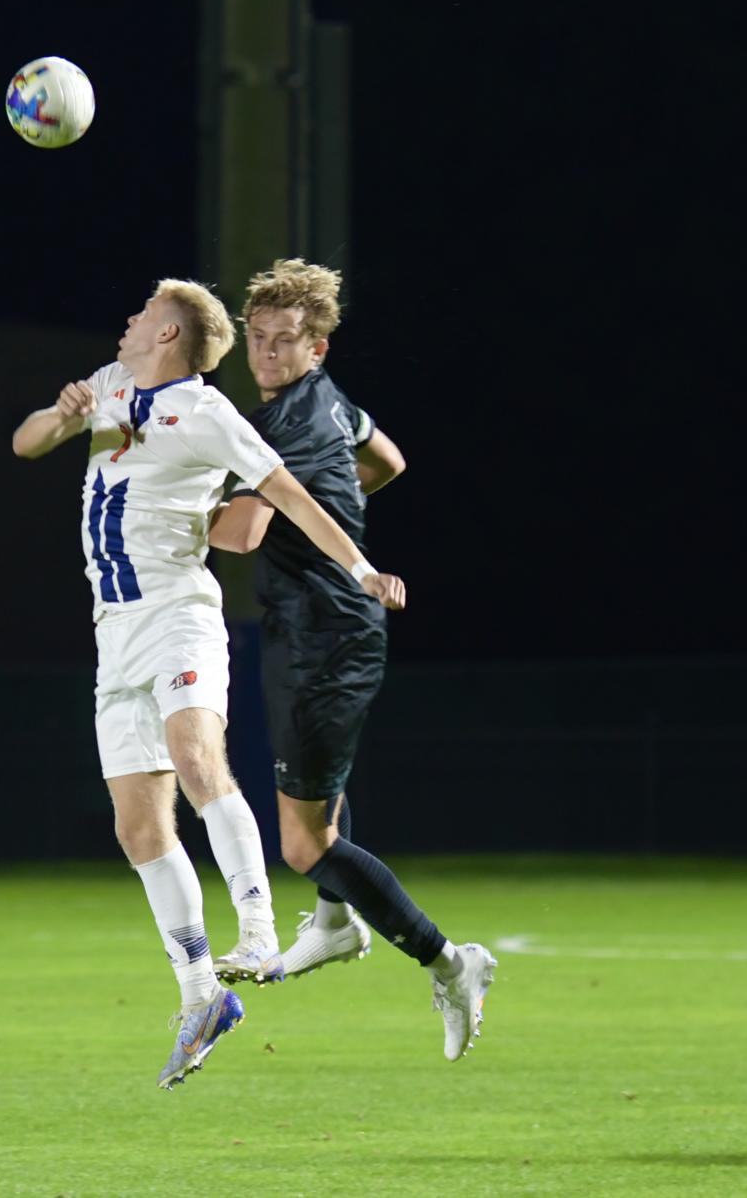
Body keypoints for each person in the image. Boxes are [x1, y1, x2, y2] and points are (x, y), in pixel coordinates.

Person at [12, 278, 407, 1090]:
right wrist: (61, 414)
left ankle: (257, 930)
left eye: (140, 317)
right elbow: (23, 443)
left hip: (178, 616)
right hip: (113, 633)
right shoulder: (113, 385)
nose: (125, 323)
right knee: (136, 826)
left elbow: (290, 495)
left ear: (167, 337)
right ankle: (200, 997)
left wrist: (363, 567)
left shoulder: (208, 414)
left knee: (197, 758)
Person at [207, 258, 496, 1063]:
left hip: (323, 633)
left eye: (284, 342)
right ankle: (334, 924)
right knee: (315, 810)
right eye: (257, 340)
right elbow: (388, 461)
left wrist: (156, 504)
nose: (265, 354)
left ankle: (450, 961)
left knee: (301, 844)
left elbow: (238, 536)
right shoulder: (333, 407)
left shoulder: (280, 425)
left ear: (317, 349)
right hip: (316, 627)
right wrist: (342, 502)